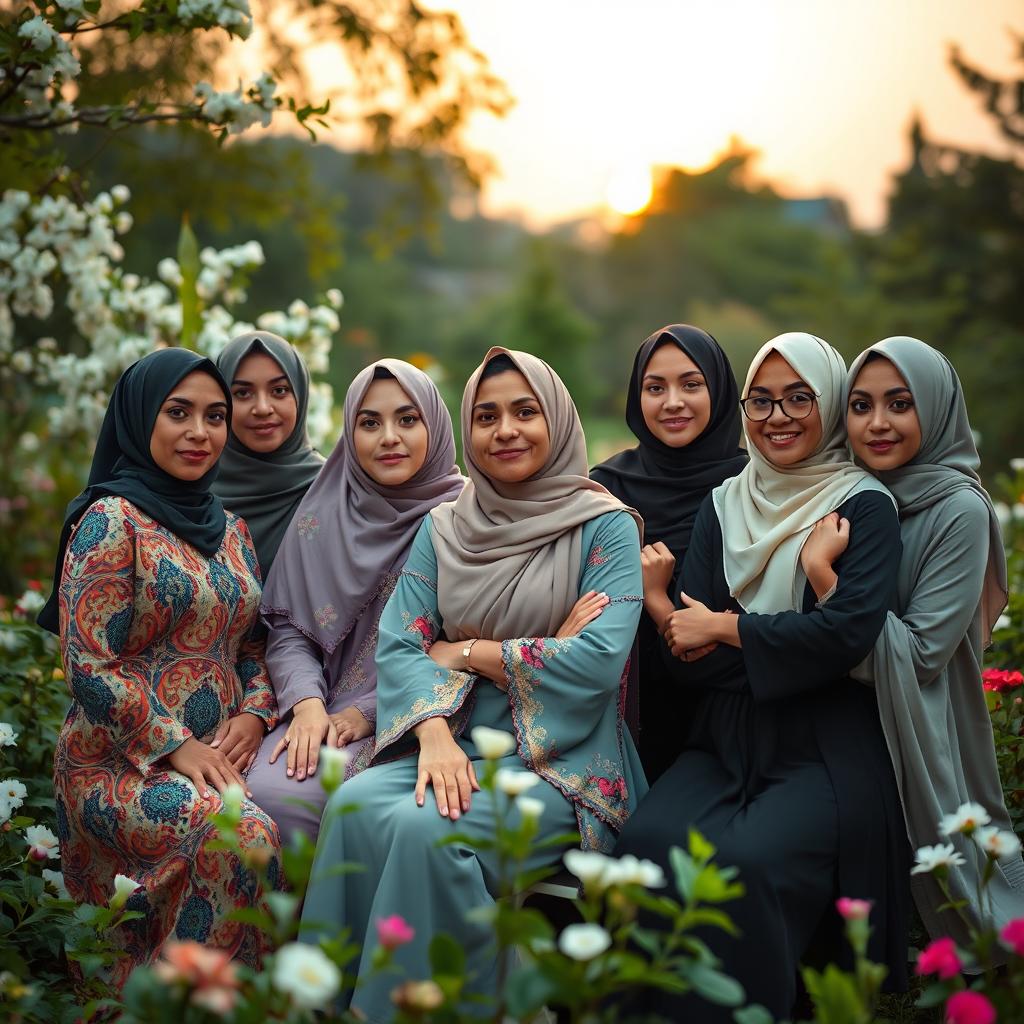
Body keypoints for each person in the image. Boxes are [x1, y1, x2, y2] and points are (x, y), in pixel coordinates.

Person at [300, 348, 645, 1020]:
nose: (505, 430)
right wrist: (431, 733)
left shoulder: (604, 526)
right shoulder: (447, 524)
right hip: (454, 739)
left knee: (431, 834)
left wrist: (464, 650)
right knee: (357, 806)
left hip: (557, 758)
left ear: (558, 419)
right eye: (486, 416)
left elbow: (598, 661)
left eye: (525, 412)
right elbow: (402, 641)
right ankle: (321, 1007)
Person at [617, 332, 909, 1022]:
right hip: (722, 741)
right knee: (645, 847)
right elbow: (684, 655)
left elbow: (845, 637)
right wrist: (783, 647)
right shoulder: (725, 502)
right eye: (762, 401)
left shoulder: (862, 507)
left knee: (748, 862)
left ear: (829, 403)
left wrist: (731, 630)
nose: (777, 417)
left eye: (799, 398)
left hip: (826, 747)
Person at [37, 349, 280, 991]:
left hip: (219, 755)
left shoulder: (231, 530)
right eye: (179, 413)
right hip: (117, 761)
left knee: (295, 811)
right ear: (141, 418)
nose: (200, 432)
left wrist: (256, 714)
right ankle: (173, 1002)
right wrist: (173, 744)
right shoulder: (110, 521)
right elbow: (87, 662)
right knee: (244, 833)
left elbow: (252, 646)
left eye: (214, 416)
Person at [818, 336, 1024, 948]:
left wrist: (830, 584)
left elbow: (922, 655)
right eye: (860, 406)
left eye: (899, 404)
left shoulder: (957, 510)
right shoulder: (842, 494)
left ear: (934, 409)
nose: (877, 424)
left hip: (920, 713)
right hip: (838, 712)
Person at [248, 360, 464, 843]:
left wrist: (367, 713)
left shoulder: (465, 521)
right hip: (320, 711)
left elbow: (462, 646)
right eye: (370, 423)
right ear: (350, 432)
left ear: (435, 423)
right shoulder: (323, 512)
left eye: (408, 420)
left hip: (425, 717)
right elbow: (289, 632)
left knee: (331, 805)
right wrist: (306, 706)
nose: (389, 437)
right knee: (264, 794)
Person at [591, 324, 746, 781]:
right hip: (619, 717)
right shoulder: (605, 489)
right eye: (655, 387)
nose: (672, 401)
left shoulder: (753, 488)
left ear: (718, 390)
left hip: (727, 714)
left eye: (691, 384)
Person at [212, 331, 325, 577]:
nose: (262, 408)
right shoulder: (189, 492)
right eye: (242, 393)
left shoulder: (332, 489)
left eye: (280, 390)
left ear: (300, 394)